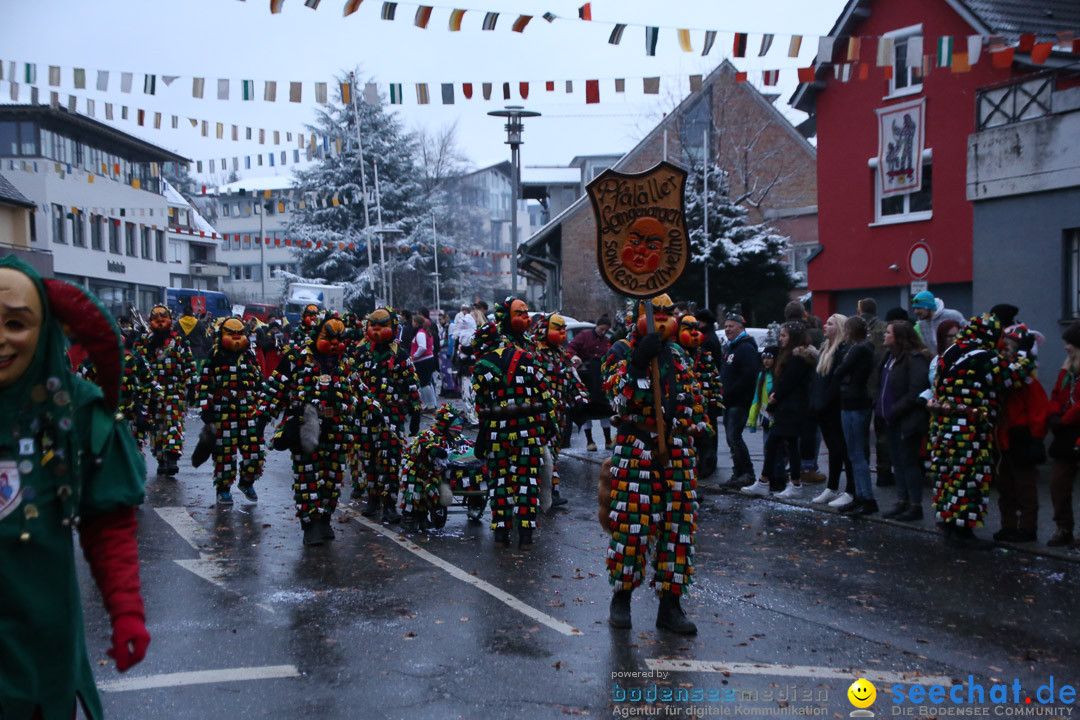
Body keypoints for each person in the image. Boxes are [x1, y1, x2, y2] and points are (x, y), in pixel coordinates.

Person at [0, 257, 150, 720]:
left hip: (39, 652)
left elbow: (108, 525)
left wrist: (125, 608)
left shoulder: (77, 411)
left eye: (15, 323)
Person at [603, 294, 708, 635]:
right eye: (655, 312)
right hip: (638, 446)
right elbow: (616, 399)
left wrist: (694, 424)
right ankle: (622, 597)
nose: (662, 318)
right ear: (638, 316)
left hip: (676, 450)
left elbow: (694, 400)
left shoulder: (678, 354)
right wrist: (636, 363)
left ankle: (670, 605)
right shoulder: (620, 349)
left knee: (677, 529)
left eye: (667, 312)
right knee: (632, 528)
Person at [256, 313, 388, 546]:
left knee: (332, 477)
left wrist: (373, 409)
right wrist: (262, 418)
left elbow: (359, 388)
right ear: (317, 335)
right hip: (305, 425)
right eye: (330, 337)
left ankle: (325, 517)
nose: (336, 343)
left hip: (337, 426)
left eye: (340, 338)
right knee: (308, 476)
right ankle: (310, 524)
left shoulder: (344, 362)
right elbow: (275, 388)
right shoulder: (297, 358)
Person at [927, 314, 1033, 549]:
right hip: (969, 430)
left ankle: (949, 527)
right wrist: (1025, 351)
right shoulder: (984, 357)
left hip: (942, 428)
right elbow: (1013, 374)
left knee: (948, 476)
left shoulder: (950, 352)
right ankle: (963, 533)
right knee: (968, 478)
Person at [471, 297, 557, 550]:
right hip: (528, 430)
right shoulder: (528, 358)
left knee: (500, 482)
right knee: (526, 481)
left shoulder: (482, 366)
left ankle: (501, 536)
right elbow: (544, 393)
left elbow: (481, 407)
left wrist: (484, 433)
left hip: (499, 433)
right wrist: (548, 422)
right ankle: (527, 536)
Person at [351, 307, 420, 521]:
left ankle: (389, 504)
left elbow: (411, 384)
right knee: (369, 460)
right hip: (365, 417)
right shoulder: (361, 352)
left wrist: (415, 412)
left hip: (391, 414)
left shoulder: (400, 354)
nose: (377, 330)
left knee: (391, 461)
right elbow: (352, 383)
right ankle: (373, 501)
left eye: (383, 325)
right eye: (374, 325)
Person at [193, 317, 266, 505]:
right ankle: (223, 489)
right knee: (225, 455)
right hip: (222, 411)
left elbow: (258, 382)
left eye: (240, 333)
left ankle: (247, 482)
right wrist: (206, 412)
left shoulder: (249, 355)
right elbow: (203, 386)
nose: (236, 337)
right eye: (231, 334)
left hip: (247, 410)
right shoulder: (214, 356)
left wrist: (263, 405)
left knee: (255, 452)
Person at [742, 322, 815, 498]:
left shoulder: (797, 358)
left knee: (783, 444)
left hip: (791, 408)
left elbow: (787, 383)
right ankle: (767, 481)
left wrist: (774, 400)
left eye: (784, 336)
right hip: (787, 407)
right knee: (780, 444)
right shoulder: (791, 356)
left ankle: (787, 483)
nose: (780, 339)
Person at [994, 324, 1047, 543]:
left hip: (1021, 438)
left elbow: (1038, 410)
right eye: (1003, 348)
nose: (1004, 352)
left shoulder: (1027, 382)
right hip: (1004, 438)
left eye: (1008, 348)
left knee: (1025, 486)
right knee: (1005, 485)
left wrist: (1035, 438)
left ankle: (1027, 527)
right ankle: (1008, 525)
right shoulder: (1002, 379)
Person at [529, 312, 588, 507]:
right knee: (541, 453)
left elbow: (573, 379)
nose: (562, 333)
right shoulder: (534, 354)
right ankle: (540, 491)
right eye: (558, 329)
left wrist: (580, 397)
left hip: (559, 412)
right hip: (539, 412)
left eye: (564, 329)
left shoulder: (562, 355)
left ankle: (552, 491)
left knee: (553, 452)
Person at [875, 321, 931, 519]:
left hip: (906, 420)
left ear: (899, 337)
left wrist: (894, 410)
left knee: (908, 462)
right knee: (897, 462)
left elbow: (916, 390)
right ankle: (902, 501)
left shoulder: (915, 359)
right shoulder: (889, 356)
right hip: (889, 419)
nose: (884, 334)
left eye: (888, 332)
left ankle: (915, 505)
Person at [134, 304, 197, 476]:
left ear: (170, 320)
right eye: (156, 317)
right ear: (150, 321)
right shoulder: (144, 342)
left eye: (164, 317)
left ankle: (172, 458)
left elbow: (189, 364)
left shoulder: (179, 341)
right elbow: (137, 366)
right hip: (153, 391)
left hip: (175, 389)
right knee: (157, 426)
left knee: (174, 423)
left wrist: (192, 386)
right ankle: (161, 459)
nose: (160, 320)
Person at [399, 404, 467, 532]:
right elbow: (423, 444)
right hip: (416, 470)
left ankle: (422, 518)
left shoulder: (448, 439)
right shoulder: (430, 435)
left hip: (431, 472)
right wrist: (436, 450)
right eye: (453, 431)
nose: (455, 435)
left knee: (428, 495)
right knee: (414, 494)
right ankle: (408, 518)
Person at [811, 314, 855, 505]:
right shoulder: (825, 349)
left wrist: (822, 402)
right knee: (833, 449)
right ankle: (832, 487)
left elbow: (835, 382)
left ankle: (850, 490)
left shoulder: (842, 351)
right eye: (825, 323)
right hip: (823, 408)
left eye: (830, 324)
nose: (825, 326)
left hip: (835, 408)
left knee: (842, 449)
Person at [831, 317, 875, 510]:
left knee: (856, 453)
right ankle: (860, 495)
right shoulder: (864, 349)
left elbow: (839, 371)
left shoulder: (858, 349)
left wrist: (843, 371)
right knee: (855, 452)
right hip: (853, 401)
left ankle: (866, 497)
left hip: (854, 403)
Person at [1045, 322, 1080, 548]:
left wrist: (1063, 420)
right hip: (1067, 433)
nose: (1066, 347)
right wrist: (1054, 415)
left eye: (1070, 343)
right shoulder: (1068, 367)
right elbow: (1057, 393)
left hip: (1072, 428)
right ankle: (1064, 527)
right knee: (1058, 483)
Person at [676, 315, 723, 479]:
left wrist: (715, 402)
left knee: (706, 440)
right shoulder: (675, 354)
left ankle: (706, 467)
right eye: (689, 329)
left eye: (696, 329)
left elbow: (714, 378)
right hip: (682, 409)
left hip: (704, 407)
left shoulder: (704, 354)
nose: (694, 333)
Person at [720, 312, 761, 488]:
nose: (727, 329)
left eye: (731, 326)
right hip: (729, 401)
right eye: (726, 326)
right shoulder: (731, 347)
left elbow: (749, 376)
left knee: (734, 437)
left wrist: (731, 393)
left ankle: (748, 473)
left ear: (741, 327)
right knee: (730, 439)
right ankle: (738, 473)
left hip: (739, 401)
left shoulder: (745, 348)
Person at [858, 298, 893, 488]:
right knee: (882, 434)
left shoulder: (856, 328)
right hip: (882, 386)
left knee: (862, 433)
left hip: (862, 387)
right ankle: (884, 472)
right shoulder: (885, 328)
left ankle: (862, 473)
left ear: (860, 310)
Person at [567, 316, 614, 451]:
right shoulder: (584, 336)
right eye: (601, 329)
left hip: (600, 378)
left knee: (603, 407)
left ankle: (608, 440)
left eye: (606, 330)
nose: (603, 332)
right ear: (597, 325)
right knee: (586, 407)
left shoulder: (607, 341)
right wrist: (574, 356)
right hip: (585, 376)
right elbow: (570, 348)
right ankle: (590, 441)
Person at [748, 346, 785, 483]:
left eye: (769, 358)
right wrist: (752, 420)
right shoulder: (762, 375)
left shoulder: (779, 376)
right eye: (764, 358)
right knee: (767, 449)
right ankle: (770, 477)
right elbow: (756, 399)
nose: (766, 361)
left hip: (776, 418)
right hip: (765, 419)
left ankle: (778, 478)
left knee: (778, 451)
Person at [911, 291, 966, 356]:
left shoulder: (952, 315)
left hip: (957, 357)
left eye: (919, 308)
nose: (916, 312)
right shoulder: (922, 323)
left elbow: (968, 333)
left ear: (929, 307)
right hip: (936, 362)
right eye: (914, 309)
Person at [410, 313, 437, 413]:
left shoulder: (420, 333)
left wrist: (414, 356)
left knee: (424, 383)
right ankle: (427, 404)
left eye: (413, 321)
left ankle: (429, 405)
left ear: (416, 323)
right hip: (426, 359)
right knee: (424, 383)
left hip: (423, 361)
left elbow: (422, 347)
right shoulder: (425, 332)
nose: (412, 323)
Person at [176, 305, 210, 374]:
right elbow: (205, 338)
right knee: (197, 371)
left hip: (183, 352)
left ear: (183, 313)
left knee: (185, 371)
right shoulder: (199, 323)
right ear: (192, 312)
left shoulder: (178, 324)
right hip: (197, 351)